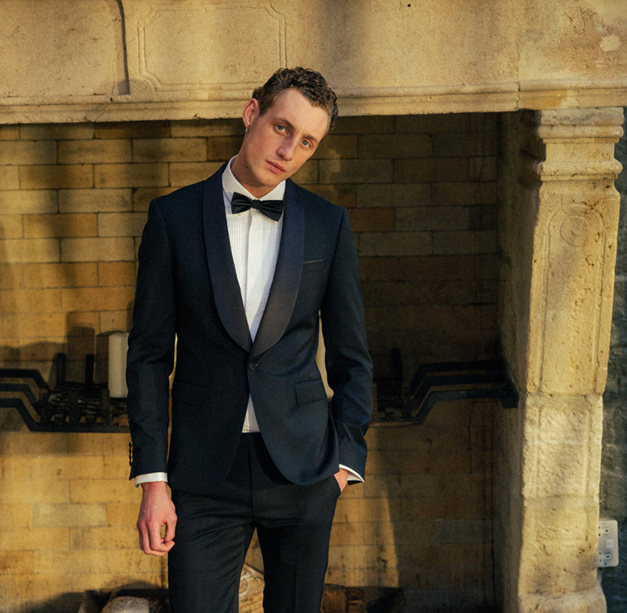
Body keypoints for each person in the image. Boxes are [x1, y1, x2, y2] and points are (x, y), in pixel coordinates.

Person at [126, 67, 374, 613]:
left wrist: (345, 461)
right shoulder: (172, 217)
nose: (289, 150)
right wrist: (153, 480)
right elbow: (147, 356)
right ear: (251, 113)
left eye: (307, 141)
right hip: (202, 476)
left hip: (306, 472)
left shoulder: (328, 224)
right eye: (282, 127)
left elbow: (353, 353)